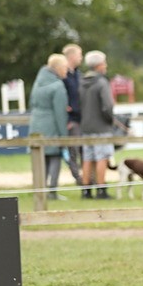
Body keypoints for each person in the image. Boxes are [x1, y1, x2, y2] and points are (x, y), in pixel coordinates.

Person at [30, 54, 71, 200]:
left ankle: (40, 190)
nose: (67, 71)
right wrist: (64, 136)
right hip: (51, 124)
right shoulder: (58, 86)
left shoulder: (38, 81)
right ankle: (52, 191)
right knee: (54, 157)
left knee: (41, 158)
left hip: (36, 124)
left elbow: (32, 103)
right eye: (65, 68)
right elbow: (60, 113)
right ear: (58, 68)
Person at [79, 50, 116, 198]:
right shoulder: (101, 82)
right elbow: (108, 106)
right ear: (99, 65)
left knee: (88, 158)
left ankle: (86, 189)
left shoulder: (81, 82)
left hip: (85, 125)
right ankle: (101, 189)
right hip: (100, 125)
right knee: (102, 156)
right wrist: (110, 119)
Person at [62, 43, 84, 187]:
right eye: (79, 54)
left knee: (83, 149)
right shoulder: (63, 76)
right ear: (72, 56)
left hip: (82, 118)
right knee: (73, 151)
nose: (81, 58)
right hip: (71, 119)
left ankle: (87, 177)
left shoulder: (78, 74)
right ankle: (78, 178)